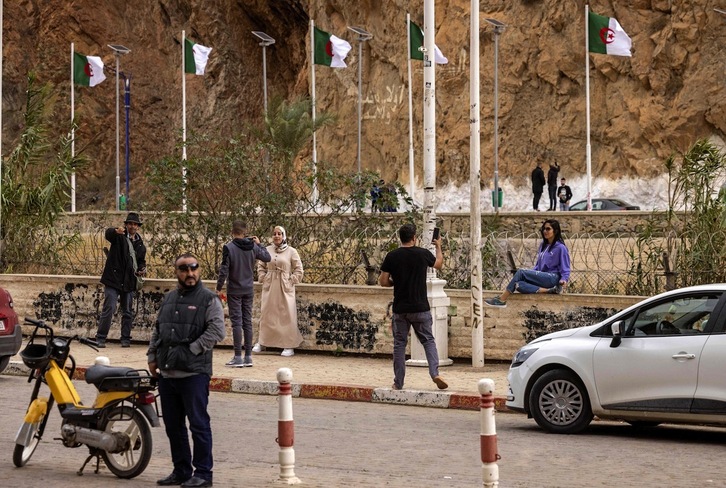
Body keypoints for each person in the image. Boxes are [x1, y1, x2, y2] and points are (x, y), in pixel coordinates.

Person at [148, 253, 226, 488]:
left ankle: (203, 474)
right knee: (174, 427)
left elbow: (217, 331)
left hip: (194, 374)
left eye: (194, 268)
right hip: (167, 374)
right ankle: (181, 470)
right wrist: (152, 356)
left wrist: (192, 350)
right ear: (176, 272)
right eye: (184, 269)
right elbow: (158, 330)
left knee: (199, 425)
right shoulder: (169, 299)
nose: (190, 273)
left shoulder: (209, 299)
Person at [378, 223, 448, 391]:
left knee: (399, 345)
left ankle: (398, 382)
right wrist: (438, 246)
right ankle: (434, 373)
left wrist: (396, 282)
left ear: (400, 238)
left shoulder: (392, 256)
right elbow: (438, 264)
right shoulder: (422, 254)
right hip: (420, 307)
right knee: (428, 341)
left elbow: (383, 281)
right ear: (414, 238)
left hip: (401, 308)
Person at [216, 220, 271, 368]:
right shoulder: (252, 246)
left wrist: (218, 287)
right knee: (247, 322)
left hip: (234, 289)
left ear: (232, 231)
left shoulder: (229, 247)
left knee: (237, 323)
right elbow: (267, 257)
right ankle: (248, 356)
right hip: (248, 289)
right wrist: (259, 244)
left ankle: (237, 356)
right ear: (245, 232)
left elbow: (224, 269)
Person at [485, 219, 571, 308]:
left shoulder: (561, 248)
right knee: (518, 284)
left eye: (548, 229)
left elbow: (566, 267)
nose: (545, 231)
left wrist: (564, 279)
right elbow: (538, 266)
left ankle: (501, 299)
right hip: (542, 277)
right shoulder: (543, 246)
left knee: (521, 272)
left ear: (555, 231)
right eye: (543, 229)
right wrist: (530, 275)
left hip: (552, 277)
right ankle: (549, 290)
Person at [95, 212, 147, 348]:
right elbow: (108, 234)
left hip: (129, 281)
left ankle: (125, 339)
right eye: (130, 223)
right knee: (109, 308)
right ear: (126, 225)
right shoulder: (118, 237)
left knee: (127, 312)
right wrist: (115, 231)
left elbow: (141, 261)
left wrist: (142, 269)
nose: (132, 226)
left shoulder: (140, 245)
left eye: (135, 224)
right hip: (113, 279)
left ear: (138, 226)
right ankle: (100, 337)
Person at [254, 226, 304, 357]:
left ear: (284, 236)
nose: (276, 236)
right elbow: (261, 265)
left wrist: (291, 280)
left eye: (279, 234)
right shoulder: (266, 250)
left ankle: (288, 344)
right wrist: (263, 277)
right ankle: (263, 341)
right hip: (270, 285)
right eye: (274, 234)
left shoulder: (292, 251)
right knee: (267, 313)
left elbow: (299, 269)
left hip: (284, 285)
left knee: (287, 314)